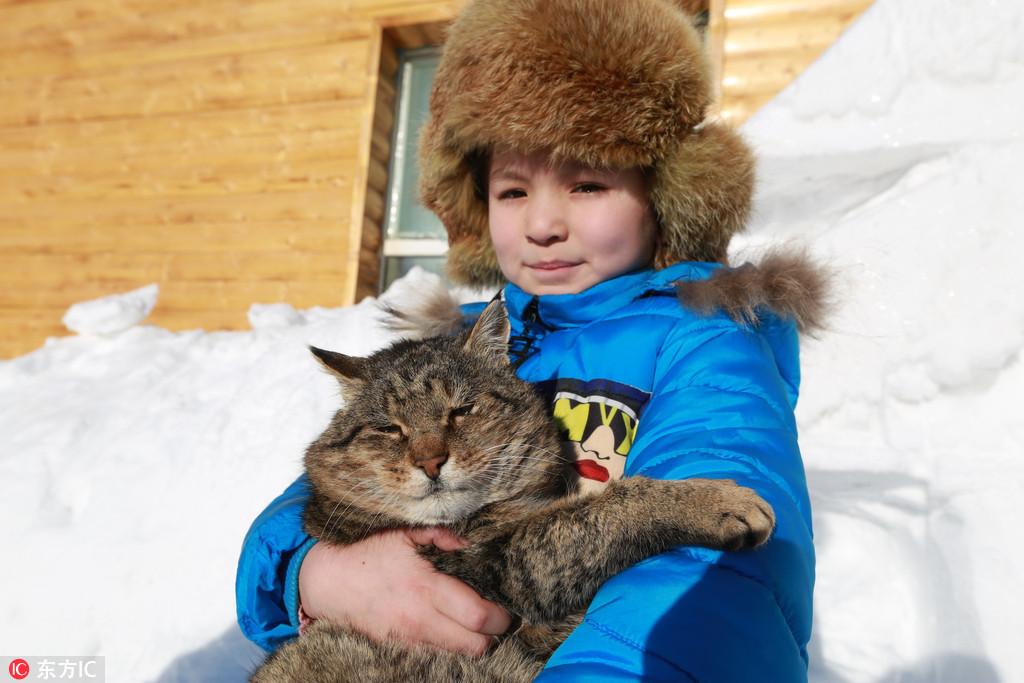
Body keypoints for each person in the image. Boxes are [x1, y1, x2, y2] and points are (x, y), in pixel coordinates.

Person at [235, 0, 818, 679]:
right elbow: (295, 513)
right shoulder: (456, 349)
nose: (543, 224)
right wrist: (314, 568)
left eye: (588, 182)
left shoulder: (706, 344)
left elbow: (710, 584)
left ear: (666, 195)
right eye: (512, 191)